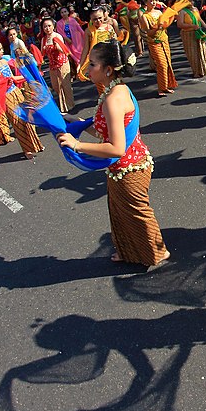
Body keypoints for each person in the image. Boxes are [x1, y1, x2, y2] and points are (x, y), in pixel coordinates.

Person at [57, 40, 168, 267]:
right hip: (123, 167)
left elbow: (116, 147)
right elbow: (104, 130)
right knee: (121, 213)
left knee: (136, 213)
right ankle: (130, 252)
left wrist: (76, 145)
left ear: (108, 70)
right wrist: (76, 122)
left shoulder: (113, 100)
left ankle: (158, 252)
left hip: (130, 169)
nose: (87, 69)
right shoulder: (116, 89)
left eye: (92, 65)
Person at [0, 38, 45, 160]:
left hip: (16, 92)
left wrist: (29, 77)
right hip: (6, 97)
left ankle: (35, 144)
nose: (2, 51)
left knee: (28, 118)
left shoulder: (4, 62)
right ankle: (27, 149)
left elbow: (13, 78)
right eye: (0, 49)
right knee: (17, 123)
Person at [140, 0, 178, 96]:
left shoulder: (159, 12)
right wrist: (158, 27)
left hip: (164, 40)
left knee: (168, 63)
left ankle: (166, 86)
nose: (153, 2)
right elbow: (149, 32)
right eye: (151, 0)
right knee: (161, 64)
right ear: (145, 2)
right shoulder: (144, 16)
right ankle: (161, 88)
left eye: (154, 0)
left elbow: (166, 23)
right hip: (154, 42)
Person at [40, 17, 75, 113]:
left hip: (62, 63)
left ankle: (69, 106)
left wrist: (57, 46)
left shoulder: (57, 36)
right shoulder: (44, 39)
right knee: (56, 86)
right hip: (52, 65)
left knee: (65, 85)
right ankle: (63, 105)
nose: (47, 28)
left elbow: (63, 50)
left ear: (53, 26)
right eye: (45, 27)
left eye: (49, 26)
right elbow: (42, 54)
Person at [176, 0, 206, 78]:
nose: (192, 2)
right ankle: (196, 72)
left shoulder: (195, 9)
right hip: (188, 34)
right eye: (189, 1)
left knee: (202, 51)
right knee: (193, 53)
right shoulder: (182, 11)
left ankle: (202, 70)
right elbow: (180, 24)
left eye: (192, 0)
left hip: (198, 32)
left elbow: (199, 19)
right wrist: (192, 26)